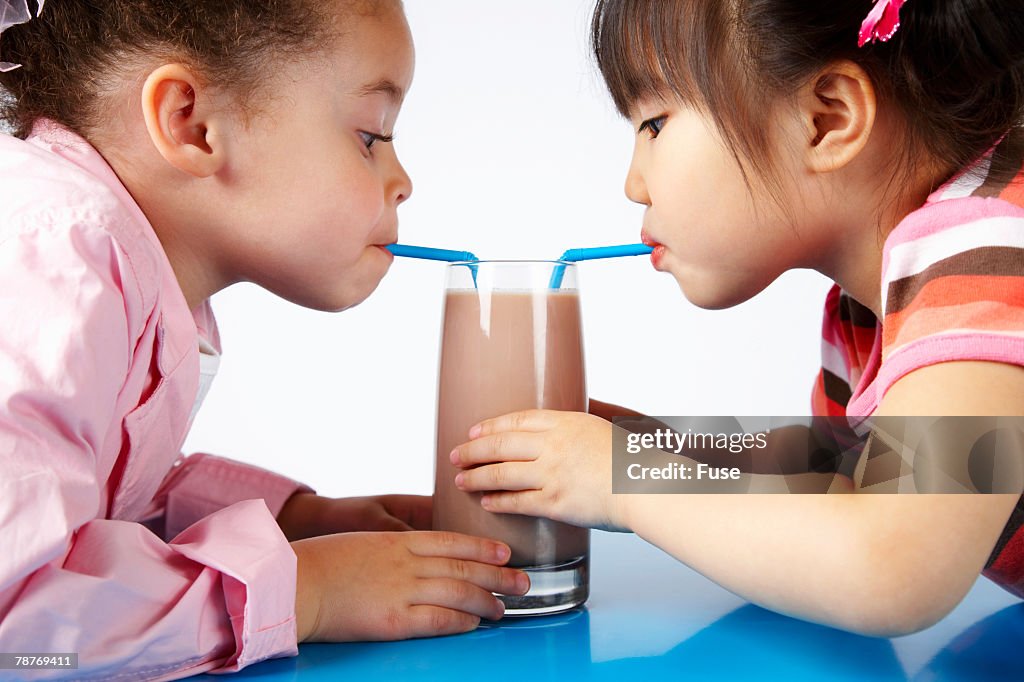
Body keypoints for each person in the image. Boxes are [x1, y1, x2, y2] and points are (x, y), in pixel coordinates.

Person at [451, 0, 1024, 635]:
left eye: (655, 124)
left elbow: (891, 565)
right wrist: (658, 445)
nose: (633, 184)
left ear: (826, 119)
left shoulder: (992, 250)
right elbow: (841, 478)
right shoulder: (870, 309)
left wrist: (623, 479)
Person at [0, 0, 527, 678]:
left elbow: (97, 499)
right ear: (193, 123)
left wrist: (296, 520)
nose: (404, 182)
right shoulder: (55, 261)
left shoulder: (126, 270)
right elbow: (16, 624)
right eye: (371, 135)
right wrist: (305, 590)